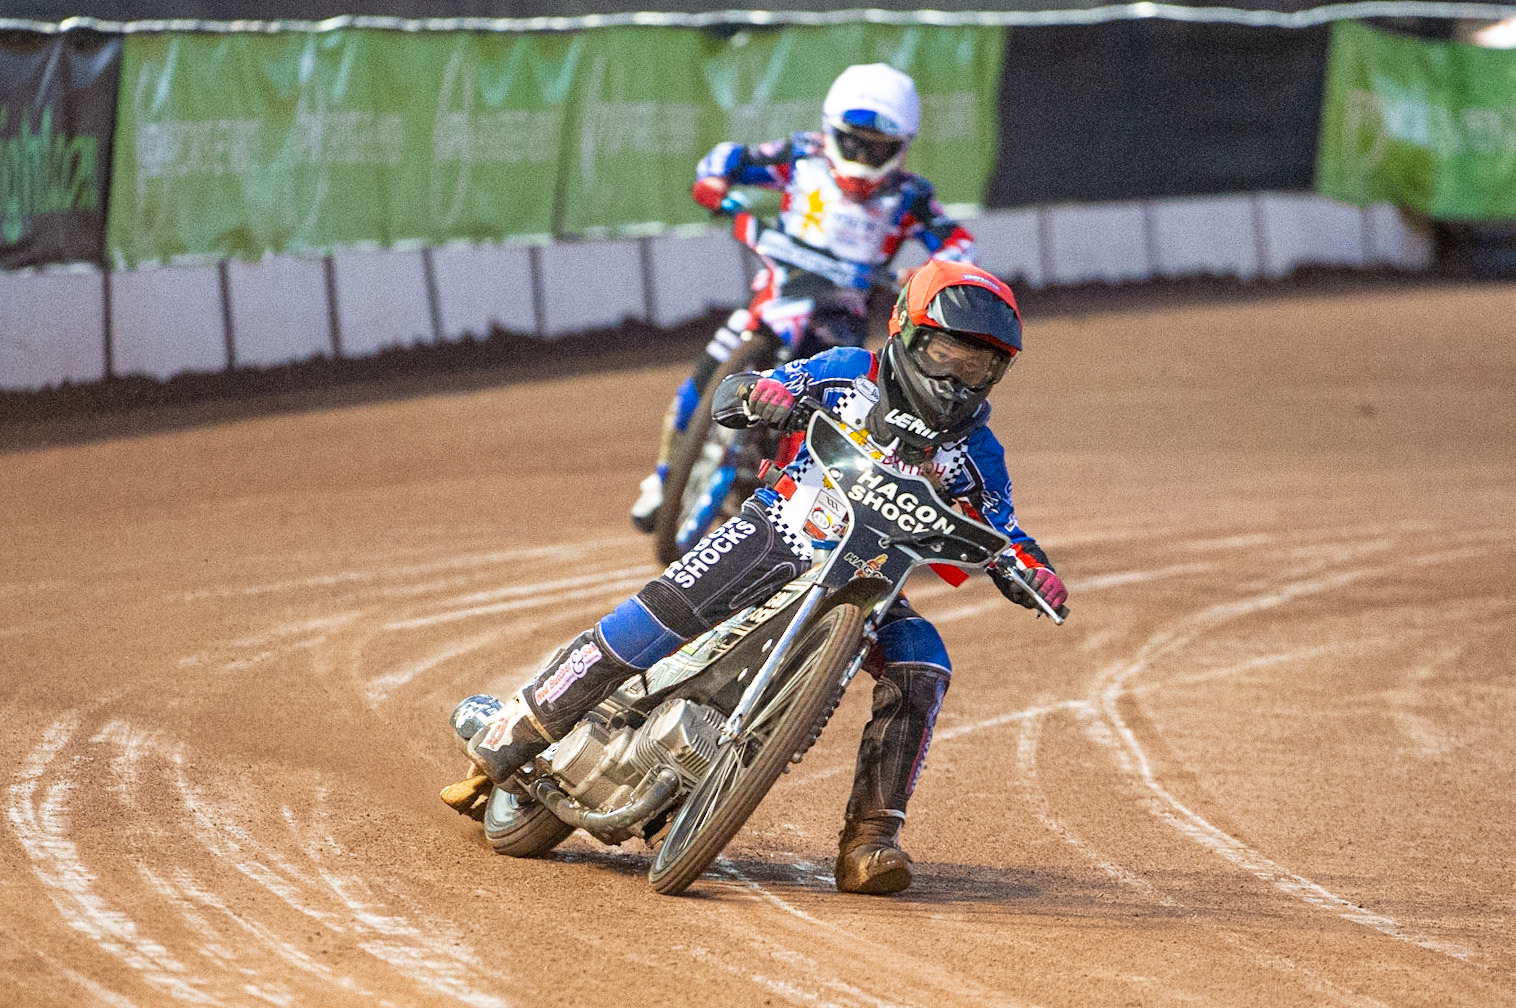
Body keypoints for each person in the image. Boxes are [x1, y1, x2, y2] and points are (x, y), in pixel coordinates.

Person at [444, 259, 1068, 896]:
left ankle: (872, 838)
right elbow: (742, 389)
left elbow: (1004, 529)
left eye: (980, 368)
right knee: (651, 620)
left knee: (925, 662)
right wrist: (758, 395)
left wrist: (1033, 571)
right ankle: (510, 739)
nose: (958, 379)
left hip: (870, 579)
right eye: (946, 354)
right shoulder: (849, 372)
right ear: (904, 331)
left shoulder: (977, 451)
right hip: (779, 534)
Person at [629, 61, 978, 533]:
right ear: (832, 129)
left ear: (901, 147)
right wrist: (713, 181)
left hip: (843, 307)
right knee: (705, 372)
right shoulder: (801, 156)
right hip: (778, 290)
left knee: (835, 404)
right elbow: (731, 158)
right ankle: (663, 479)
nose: (863, 154)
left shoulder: (909, 194)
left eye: (879, 148)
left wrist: (930, 272)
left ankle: (810, 510)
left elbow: (956, 241)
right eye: (854, 140)